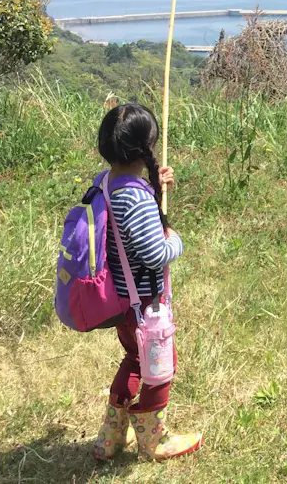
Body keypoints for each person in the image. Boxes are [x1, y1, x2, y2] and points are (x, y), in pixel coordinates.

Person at [92, 103, 203, 463]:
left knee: (134, 361)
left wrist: (154, 187)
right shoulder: (134, 197)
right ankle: (154, 442)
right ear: (148, 146)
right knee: (158, 369)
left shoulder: (107, 183)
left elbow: (127, 230)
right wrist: (177, 241)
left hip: (123, 301)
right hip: (145, 306)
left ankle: (110, 437)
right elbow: (155, 253)